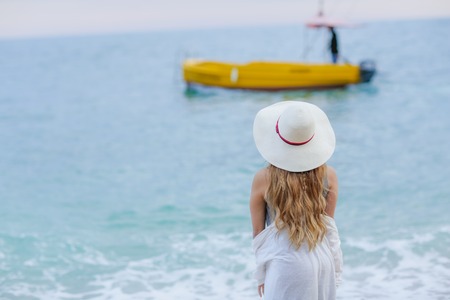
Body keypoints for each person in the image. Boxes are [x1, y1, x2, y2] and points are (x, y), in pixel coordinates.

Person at [250, 101, 343, 300]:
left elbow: (259, 234)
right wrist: (335, 268)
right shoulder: (330, 176)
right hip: (322, 262)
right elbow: (329, 228)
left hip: (286, 264)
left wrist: (261, 274)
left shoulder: (263, 179)